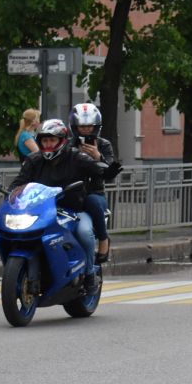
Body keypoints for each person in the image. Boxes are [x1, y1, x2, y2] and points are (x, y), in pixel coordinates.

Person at [9, 119, 109, 292]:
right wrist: (11, 193)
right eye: (45, 141)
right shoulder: (34, 160)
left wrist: (100, 160)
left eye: (52, 140)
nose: (48, 144)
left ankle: (90, 273)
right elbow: (20, 181)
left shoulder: (76, 157)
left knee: (84, 232)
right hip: (43, 211)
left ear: (61, 141)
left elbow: (104, 171)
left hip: (73, 209)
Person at [68, 102, 117, 263]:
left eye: (89, 126)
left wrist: (98, 157)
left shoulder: (104, 145)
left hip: (94, 193)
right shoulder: (68, 145)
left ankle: (103, 239)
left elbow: (110, 174)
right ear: (75, 127)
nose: (86, 130)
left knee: (93, 201)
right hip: (70, 193)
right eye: (82, 127)